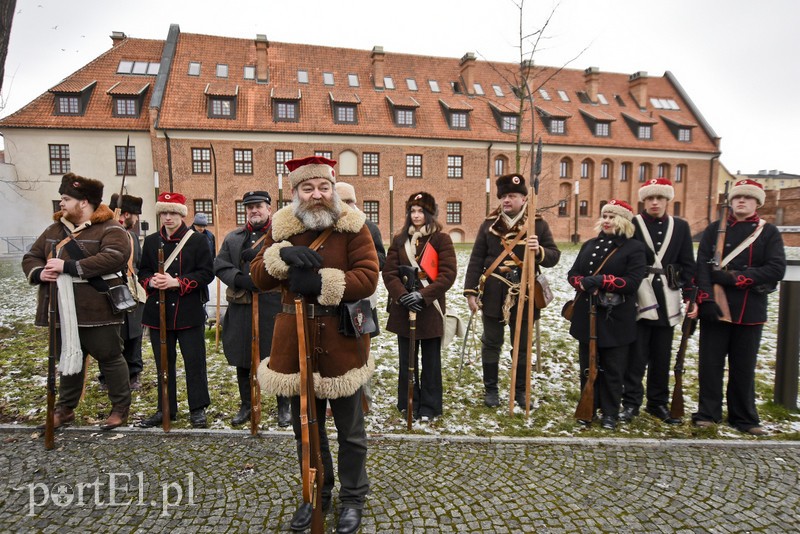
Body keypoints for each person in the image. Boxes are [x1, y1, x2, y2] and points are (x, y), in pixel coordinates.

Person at [250, 156, 378, 533]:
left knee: (351, 431)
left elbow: (368, 277)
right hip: (294, 341)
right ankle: (316, 494)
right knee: (306, 427)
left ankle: (353, 497)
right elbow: (257, 275)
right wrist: (280, 256)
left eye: (323, 187)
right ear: (295, 193)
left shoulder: (354, 227)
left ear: (333, 189)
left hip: (341, 343)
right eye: (308, 188)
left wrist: (322, 283)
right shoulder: (281, 228)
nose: (317, 195)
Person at [22, 173, 132, 430]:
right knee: (69, 357)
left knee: (110, 357)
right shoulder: (54, 230)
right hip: (60, 308)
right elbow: (32, 256)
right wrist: (40, 272)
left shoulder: (111, 228)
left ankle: (120, 408)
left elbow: (114, 257)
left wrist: (68, 266)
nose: (61, 203)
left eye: (66, 198)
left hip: (98, 308)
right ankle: (65, 409)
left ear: (84, 202)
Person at [693, 179, 785, 436]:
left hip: (750, 309)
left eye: (747, 198)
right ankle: (708, 413)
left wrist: (736, 278)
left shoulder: (768, 232)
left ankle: (744, 417)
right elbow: (701, 267)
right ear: (731, 201)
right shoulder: (714, 229)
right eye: (737, 198)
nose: (741, 201)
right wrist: (706, 299)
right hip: (716, 309)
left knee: (743, 366)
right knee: (710, 365)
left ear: (757, 202)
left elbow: (775, 268)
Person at [463, 173, 561, 408]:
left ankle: (520, 391)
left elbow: (554, 256)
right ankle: (492, 390)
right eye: (504, 196)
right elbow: (476, 259)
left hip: (525, 293)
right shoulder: (489, 225)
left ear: (524, 198)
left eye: (513, 196)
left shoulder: (537, 224)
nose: (507, 200)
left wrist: (539, 251)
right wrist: (471, 292)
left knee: (523, 346)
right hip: (494, 293)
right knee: (491, 343)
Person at [620, 178, 695, 424]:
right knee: (636, 355)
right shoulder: (633, 223)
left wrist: (690, 295)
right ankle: (631, 402)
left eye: (659, 198)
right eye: (650, 198)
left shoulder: (681, 227)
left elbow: (687, 264)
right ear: (644, 200)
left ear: (667, 200)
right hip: (638, 295)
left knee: (662, 356)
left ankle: (658, 403)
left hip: (667, 297)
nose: (655, 202)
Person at [567, 200, 646, 430]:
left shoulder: (634, 248)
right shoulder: (590, 244)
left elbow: (632, 283)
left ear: (623, 221)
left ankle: (610, 411)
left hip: (615, 317)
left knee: (613, 368)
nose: (607, 221)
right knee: (587, 365)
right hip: (587, 315)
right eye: (605, 216)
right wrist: (581, 283)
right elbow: (573, 272)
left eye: (613, 217)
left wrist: (601, 281)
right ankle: (588, 406)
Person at [213, 190, 289, 427]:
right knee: (243, 356)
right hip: (242, 304)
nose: (254, 211)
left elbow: (286, 262)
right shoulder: (234, 238)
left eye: (259, 206)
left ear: (269, 209)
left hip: (272, 304)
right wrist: (238, 279)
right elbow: (220, 264)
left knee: (278, 357)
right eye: (250, 207)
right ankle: (246, 404)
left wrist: (262, 256)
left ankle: (283, 406)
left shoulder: (281, 236)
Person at [138, 192, 214, 429]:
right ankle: (165, 408)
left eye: (173, 213)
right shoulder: (151, 241)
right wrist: (151, 282)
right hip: (158, 313)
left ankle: (198, 408)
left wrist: (177, 282)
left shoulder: (197, 240)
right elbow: (142, 272)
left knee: (194, 361)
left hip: (188, 312)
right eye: (164, 213)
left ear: (181, 214)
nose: (168, 218)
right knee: (163, 363)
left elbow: (206, 273)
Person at [383, 192, 457, 421]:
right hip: (404, 307)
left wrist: (422, 295)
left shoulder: (441, 239)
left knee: (431, 360)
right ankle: (408, 403)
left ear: (430, 214)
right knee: (407, 360)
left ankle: (430, 406)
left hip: (430, 307)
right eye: (412, 211)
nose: (416, 215)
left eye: (421, 211)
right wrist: (402, 295)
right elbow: (389, 271)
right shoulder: (399, 240)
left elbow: (448, 274)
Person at [335, 181, 386, 412]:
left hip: (361, 299)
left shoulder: (368, 226)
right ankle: (335, 395)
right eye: (341, 201)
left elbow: (380, 259)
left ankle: (363, 396)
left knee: (361, 349)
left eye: (349, 201)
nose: (346, 206)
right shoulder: (329, 226)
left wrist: (361, 268)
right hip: (334, 298)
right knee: (337, 347)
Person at [97, 193, 146, 391]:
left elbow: (138, 263)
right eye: (135, 215)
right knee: (109, 336)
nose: (136, 220)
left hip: (131, 291)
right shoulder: (102, 232)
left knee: (134, 334)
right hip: (108, 290)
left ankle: (133, 373)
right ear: (126, 214)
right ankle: (107, 377)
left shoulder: (133, 236)